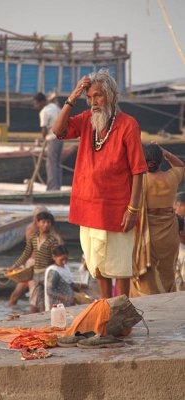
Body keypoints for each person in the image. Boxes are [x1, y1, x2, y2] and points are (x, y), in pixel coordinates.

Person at [52, 69, 147, 298]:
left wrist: (133, 210)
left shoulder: (128, 124)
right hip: (89, 210)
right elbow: (58, 130)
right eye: (89, 97)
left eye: (98, 96)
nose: (93, 102)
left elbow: (138, 170)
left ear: (111, 96)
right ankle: (106, 315)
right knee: (99, 269)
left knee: (121, 270)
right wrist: (71, 99)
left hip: (117, 210)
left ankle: (122, 319)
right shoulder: (86, 119)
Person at [131, 144, 184, 296]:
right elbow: (181, 165)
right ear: (161, 161)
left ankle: (149, 304)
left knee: (147, 276)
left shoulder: (139, 181)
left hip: (148, 233)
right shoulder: (172, 177)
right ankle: (165, 299)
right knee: (166, 271)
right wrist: (166, 153)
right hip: (169, 231)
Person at [9, 211, 59, 312]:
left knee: (48, 298)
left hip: (47, 273)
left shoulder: (52, 240)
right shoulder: (33, 238)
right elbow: (26, 254)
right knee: (36, 298)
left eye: (48, 222)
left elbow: (57, 257)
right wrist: (15, 266)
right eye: (43, 222)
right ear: (38, 223)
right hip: (35, 273)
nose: (46, 225)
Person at [33, 92, 63, 191]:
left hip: (53, 139)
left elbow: (44, 130)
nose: (35, 105)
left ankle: (52, 187)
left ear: (41, 102)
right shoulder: (54, 106)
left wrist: (44, 138)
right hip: (61, 137)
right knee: (57, 163)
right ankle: (57, 186)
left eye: (36, 103)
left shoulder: (44, 112)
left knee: (51, 164)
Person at [44, 245, 76, 311]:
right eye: (61, 260)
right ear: (54, 257)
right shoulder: (53, 271)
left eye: (66, 259)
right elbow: (50, 291)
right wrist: (66, 298)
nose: (64, 262)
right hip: (57, 306)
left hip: (68, 304)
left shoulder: (65, 268)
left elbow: (69, 283)